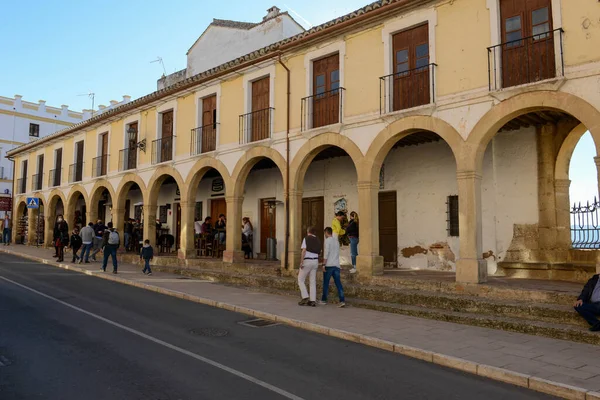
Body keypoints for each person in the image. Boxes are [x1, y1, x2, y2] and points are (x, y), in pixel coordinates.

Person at [319, 227, 345, 307]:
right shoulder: (336, 241)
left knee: (326, 283)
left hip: (329, 265)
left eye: (325, 233)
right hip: (336, 264)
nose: (325, 235)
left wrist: (323, 264)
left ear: (326, 233)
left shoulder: (327, 241)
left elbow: (326, 253)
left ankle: (324, 299)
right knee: (338, 283)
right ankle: (342, 300)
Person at [298, 226, 321, 307]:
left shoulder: (306, 238)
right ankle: (312, 300)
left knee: (300, 279)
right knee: (312, 281)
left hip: (307, 261)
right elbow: (319, 251)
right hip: (315, 261)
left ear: (308, 232)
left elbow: (304, 251)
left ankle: (305, 297)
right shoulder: (318, 239)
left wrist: (301, 262)